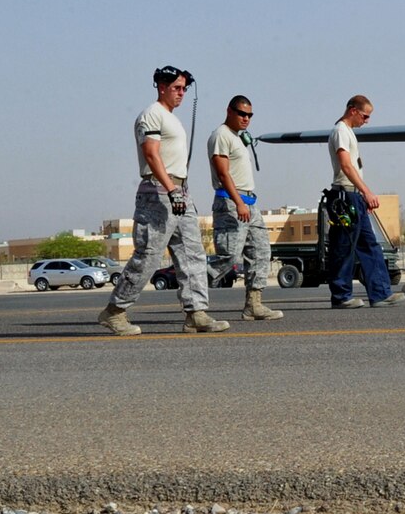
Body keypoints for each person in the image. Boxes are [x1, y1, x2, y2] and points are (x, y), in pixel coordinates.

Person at [98, 67, 226, 335]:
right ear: (161, 86)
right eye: (177, 88)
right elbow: (151, 154)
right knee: (148, 256)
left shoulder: (170, 118)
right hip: (159, 193)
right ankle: (115, 312)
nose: (181, 93)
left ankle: (196, 314)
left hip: (179, 193)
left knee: (192, 255)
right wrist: (171, 190)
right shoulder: (152, 115)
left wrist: (179, 191)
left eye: (184, 89)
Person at [324, 95, 402, 309]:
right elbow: (346, 166)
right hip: (345, 196)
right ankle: (341, 296)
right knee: (344, 247)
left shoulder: (348, 133)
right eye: (365, 116)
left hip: (354, 196)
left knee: (370, 245)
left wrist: (361, 195)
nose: (366, 121)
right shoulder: (340, 131)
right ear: (353, 110)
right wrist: (366, 191)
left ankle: (380, 293)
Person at [209, 94, 282, 321]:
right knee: (229, 255)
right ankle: (193, 291)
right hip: (231, 202)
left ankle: (253, 305)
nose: (246, 118)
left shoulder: (238, 137)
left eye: (250, 115)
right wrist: (239, 202)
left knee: (260, 252)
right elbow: (223, 173)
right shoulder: (221, 135)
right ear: (229, 111)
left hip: (249, 203)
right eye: (242, 113)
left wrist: (246, 203)